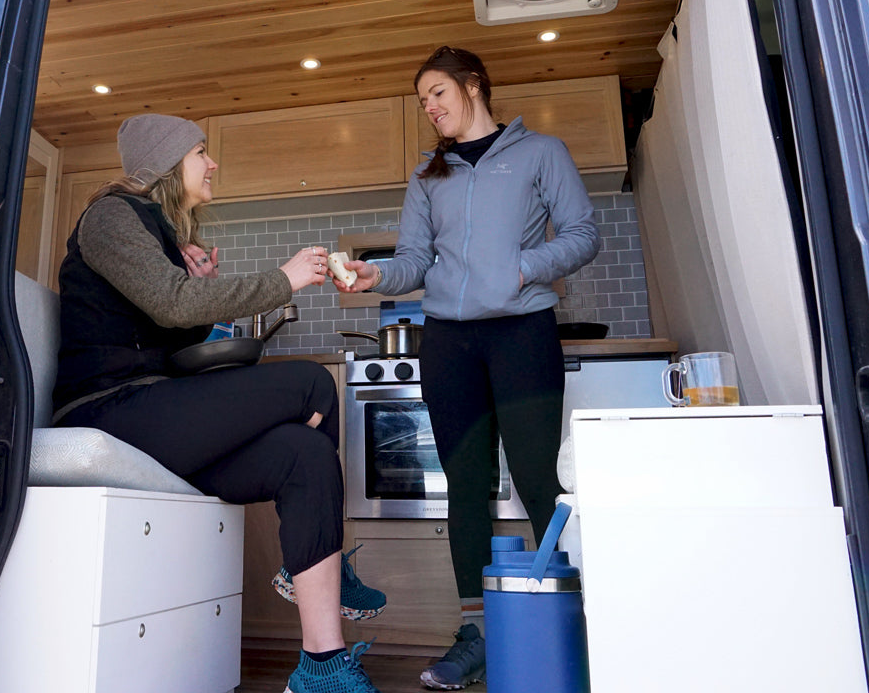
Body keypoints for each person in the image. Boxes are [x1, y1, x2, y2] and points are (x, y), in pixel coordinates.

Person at [51, 113, 387, 693]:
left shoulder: (158, 234)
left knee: (303, 453)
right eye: (201, 152)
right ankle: (310, 563)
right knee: (311, 385)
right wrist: (280, 280)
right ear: (164, 163)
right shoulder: (111, 214)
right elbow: (172, 305)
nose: (211, 163)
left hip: (155, 409)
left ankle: (321, 666)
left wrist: (203, 294)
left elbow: (177, 333)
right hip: (108, 409)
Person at [331, 46, 600, 690]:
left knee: (540, 482)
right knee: (466, 488)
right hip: (448, 343)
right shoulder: (429, 176)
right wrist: (374, 276)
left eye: (436, 93)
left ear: (473, 87)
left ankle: (562, 623)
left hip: (522, 336)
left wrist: (525, 267)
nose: (429, 107)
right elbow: (414, 261)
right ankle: (477, 632)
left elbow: (584, 233)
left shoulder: (542, 154)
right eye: (422, 99)